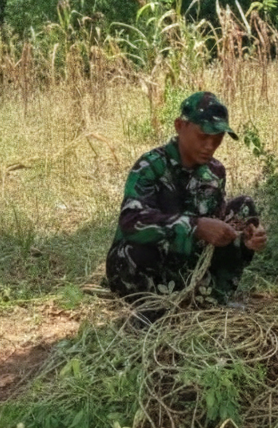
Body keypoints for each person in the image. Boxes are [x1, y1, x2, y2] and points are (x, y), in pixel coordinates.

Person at [105, 91, 267, 314]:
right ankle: (150, 308)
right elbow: (131, 222)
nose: (210, 145)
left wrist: (244, 239)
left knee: (244, 209)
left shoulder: (215, 172)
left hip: (187, 266)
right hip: (146, 269)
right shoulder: (151, 166)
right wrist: (195, 226)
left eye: (218, 137)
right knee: (137, 246)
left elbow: (217, 223)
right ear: (180, 126)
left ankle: (214, 297)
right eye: (203, 136)